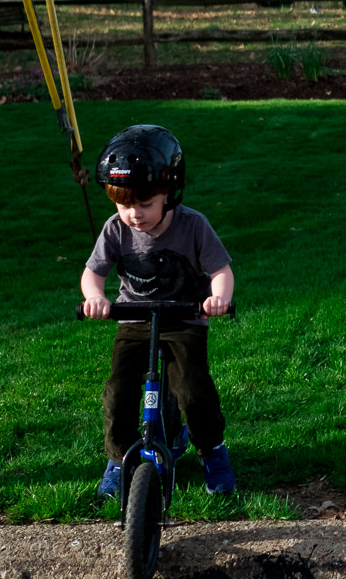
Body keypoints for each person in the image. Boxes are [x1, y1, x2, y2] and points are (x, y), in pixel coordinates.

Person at [80, 124, 238, 499]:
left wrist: (219, 298)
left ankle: (212, 450)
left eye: (144, 204)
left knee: (193, 391)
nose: (133, 214)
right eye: (122, 204)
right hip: (135, 320)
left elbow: (220, 270)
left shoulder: (193, 225)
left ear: (169, 192)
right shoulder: (115, 229)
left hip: (183, 320)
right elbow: (93, 273)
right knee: (118, 391)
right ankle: (119, 460)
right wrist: (96, 298)